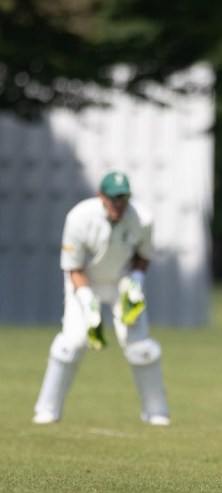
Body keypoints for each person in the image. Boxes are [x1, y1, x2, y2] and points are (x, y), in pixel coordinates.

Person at [34, 172, 170, 425]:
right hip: (85, 282)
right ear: (101, 196)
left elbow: (143, 255)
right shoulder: (78, 218)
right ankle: (47, 409)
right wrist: (88, 301)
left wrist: (136, 282)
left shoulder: (143, 219)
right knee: (71, 344)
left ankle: (156, 411)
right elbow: (73, 267)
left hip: (122, 283)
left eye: (123, 198)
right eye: (113, 198)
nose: (119, 204)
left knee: (140, 348)